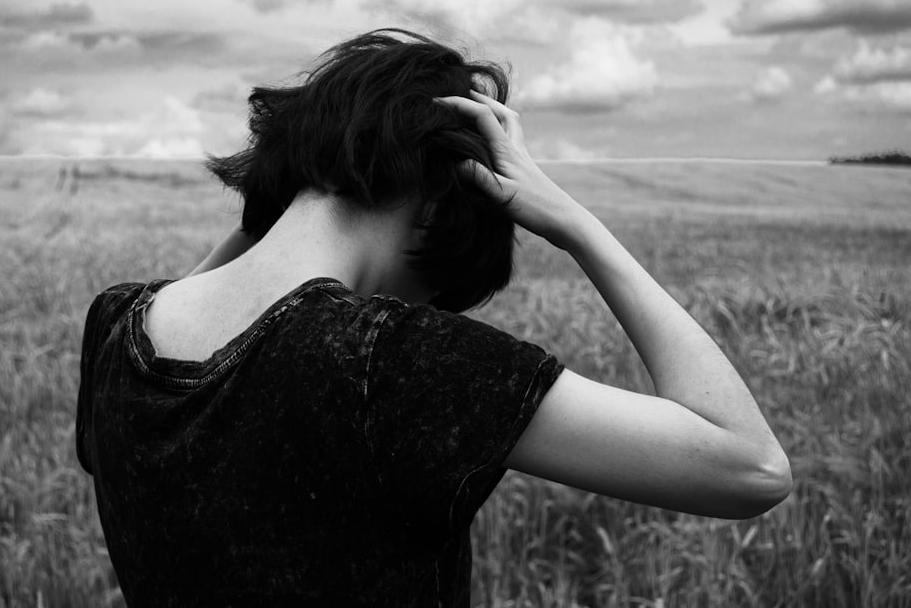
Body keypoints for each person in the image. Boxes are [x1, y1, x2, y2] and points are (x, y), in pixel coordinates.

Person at [76, 29, 792, 607]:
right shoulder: (387, 358)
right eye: (431, 294)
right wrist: (571, 220)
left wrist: (278, 191)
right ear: (444, 199)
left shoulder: (115, 327)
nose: (414, 309)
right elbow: (751, 467)